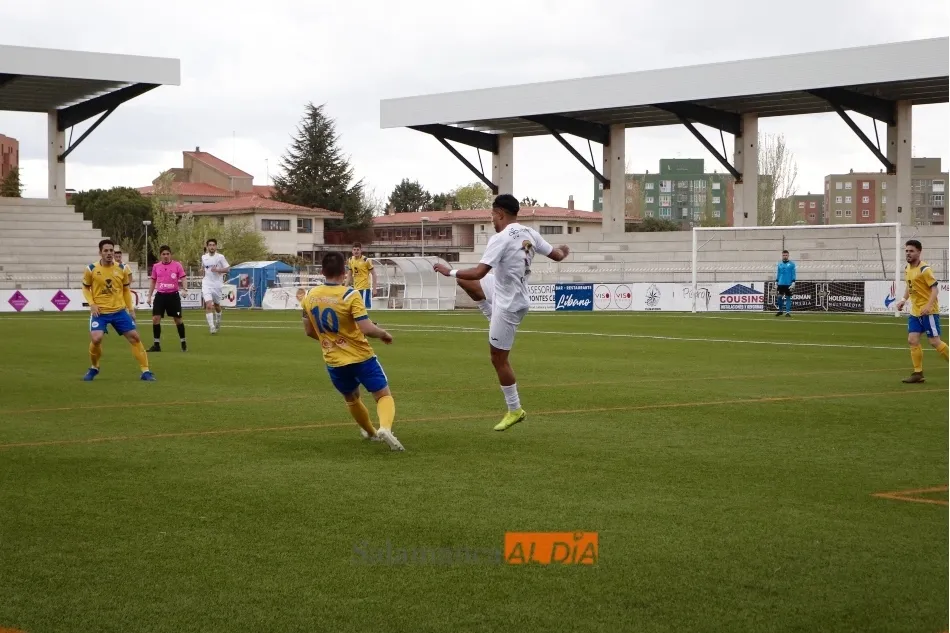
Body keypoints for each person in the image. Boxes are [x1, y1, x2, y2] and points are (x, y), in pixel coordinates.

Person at [433, 194, 570, 431]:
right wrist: (564, 250)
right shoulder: (530, 232)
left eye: (492, 215)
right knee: (468, 285)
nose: (492, 220)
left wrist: (450, 271)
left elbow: (477, 271)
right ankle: (491, 317)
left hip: (509, 304)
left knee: (498, 358)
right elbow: (556, 255)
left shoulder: (500, 238)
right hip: (503, 290)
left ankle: (515, 409)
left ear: (500, 213)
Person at [301, 251, 404, 451]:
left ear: (322, 271)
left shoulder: (309, 296)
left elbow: (308, 330)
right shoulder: (350, 294)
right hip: (361, 356)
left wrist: (330, 341)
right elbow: (366, 328)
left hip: (334, 360)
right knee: (382, 395)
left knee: (351, 398)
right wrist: (383, 333)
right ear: (343, 272)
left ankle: (371, 433)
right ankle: (385, 427)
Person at [82, 239, 155, 381]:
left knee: (135, 337)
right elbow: (85, 287)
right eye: (106, 251)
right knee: (96, 339)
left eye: (111, 251)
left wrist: (131, 309)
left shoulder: (121, 268)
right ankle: (94, 367)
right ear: (100, 253)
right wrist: (91, 303)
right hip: (100, 312)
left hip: (119, 311)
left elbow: (126, 290)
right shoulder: (91, 269)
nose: (109, 253)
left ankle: (145, 371)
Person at [897, 239, 948, 383]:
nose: (908, 253)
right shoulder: (907, 268)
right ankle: (918, 373)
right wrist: (903, 300)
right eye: (906, 251)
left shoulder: (924, 269)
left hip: (929, 312)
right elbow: (910, 286)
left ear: (919, 252)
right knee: (912, 340)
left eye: (911, 251)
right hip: (915, 312)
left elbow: (934, 288)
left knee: (934, 342)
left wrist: (928, 305)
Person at [147, 245, 188, 352]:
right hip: (160, 296)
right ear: (160, 255)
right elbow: (153, 281)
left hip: (173, 296)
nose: (166, 256)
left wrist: (185, 289)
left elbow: (183, 278)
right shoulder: (156, 266)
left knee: (178, 320)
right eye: (163, 254)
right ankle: (156, 345)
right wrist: (149, 296)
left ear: (170, 254)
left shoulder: (177, 265)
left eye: (167, 254)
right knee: (155, 318)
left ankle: (183, 341)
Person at [201, 238, 230, 334]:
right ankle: (212, 327)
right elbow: (203, 269)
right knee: (209, 305)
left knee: (217, 305)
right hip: (207, 283)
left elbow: (227, 269)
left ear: (216, 246)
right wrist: (201, 271)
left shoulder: (220, 257)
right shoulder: (204, 257)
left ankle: (218, 321)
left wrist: (218, 270)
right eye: (210, 245)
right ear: (207, 246)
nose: (212, 247)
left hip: (217, 284)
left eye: (213, 245)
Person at [347, 242, 377, 311]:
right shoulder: (350, 260)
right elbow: (349, 274)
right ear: (352, 251)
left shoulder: (366, 260)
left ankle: (368, 322)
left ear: (361, 250)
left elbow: (374, 274)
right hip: (355, 288)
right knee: (356, 308)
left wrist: (374, 289)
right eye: (354, 250)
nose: (356, 251)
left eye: (358, 250)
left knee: (364, 308)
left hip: (364, 288)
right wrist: (345, 286)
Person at [775, 250, 796, 317]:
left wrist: (793, 282)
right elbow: (778, 273)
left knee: (788, 298)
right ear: (782, 255)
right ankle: (780, 311)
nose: (785, 256)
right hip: (781, 283)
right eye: (784, 255)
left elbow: (793, 273)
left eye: (786, 255)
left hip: (788, 283)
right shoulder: (779, 264)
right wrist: (776, 281)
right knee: (779, 297)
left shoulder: (792, 264)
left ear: (788, 256)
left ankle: (787, 312)